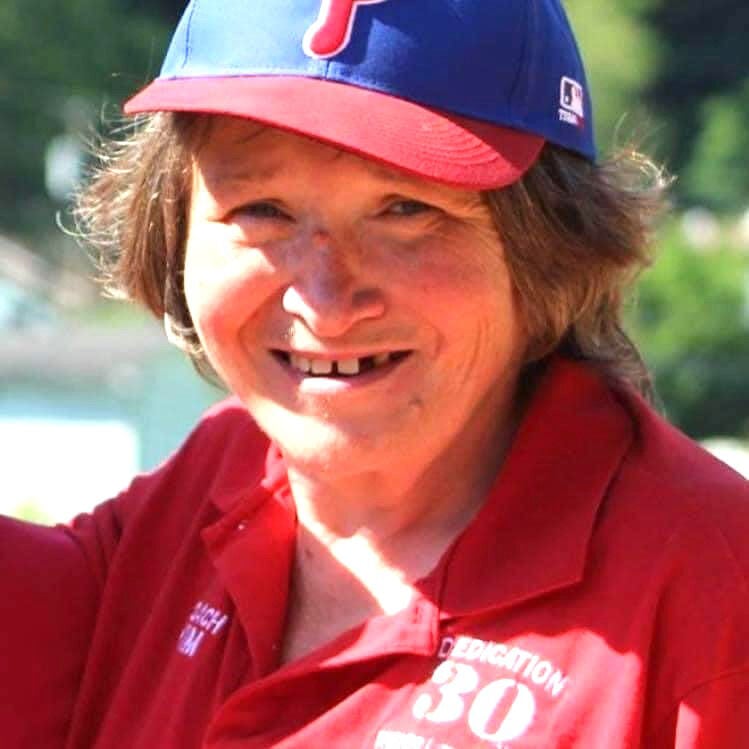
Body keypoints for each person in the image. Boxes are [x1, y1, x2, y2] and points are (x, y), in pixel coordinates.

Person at [2, 0, 748, 747]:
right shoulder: (202, 492)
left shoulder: (713, 598)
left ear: (549, 241)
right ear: (171, 234)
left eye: (405, 209)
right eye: (263, 209)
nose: (326, 303)